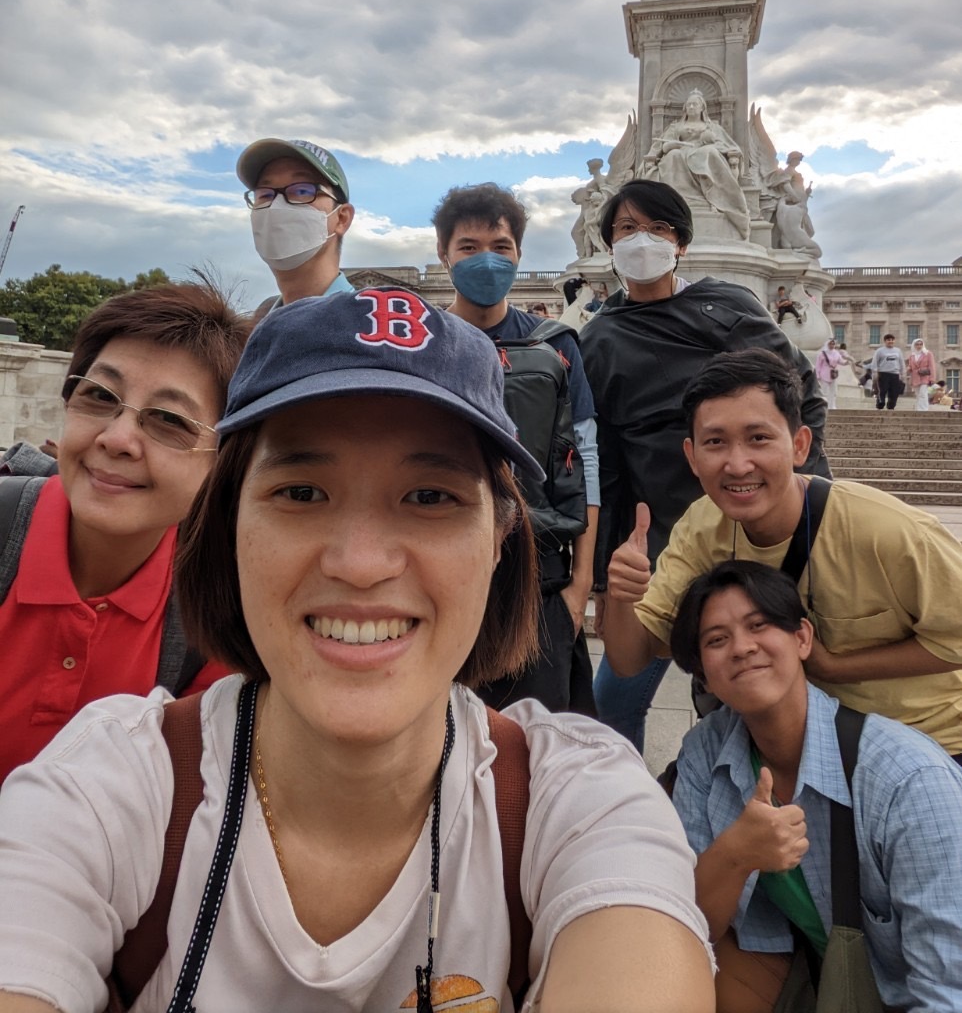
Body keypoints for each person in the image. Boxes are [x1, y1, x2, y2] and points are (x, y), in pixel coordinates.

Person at [0, 288, 715, 1013]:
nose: (362, 563)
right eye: (303, 492)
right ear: (226, 525)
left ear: (501, 540)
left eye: (431, 497)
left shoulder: (582, 802)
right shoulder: (103, 787)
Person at [602, 348, 962, 758]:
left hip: (929, 742)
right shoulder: (702, 528)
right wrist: (622, 598)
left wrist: (833, 667)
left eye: (758, 438)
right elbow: (629, 660)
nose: (738, 465)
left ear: (799, 445)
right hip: (789, 742)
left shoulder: (887, 531)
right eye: (716, 442)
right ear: (692, 457)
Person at [580, 181, 828, 752]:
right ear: (609, 243)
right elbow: (608, 463)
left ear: (682, 244)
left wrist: (810, 489)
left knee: (734, 691)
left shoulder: (730, 305)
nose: (642, 241)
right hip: (664, 536)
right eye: (626, 230)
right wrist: (603, 575)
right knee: (612, 700)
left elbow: (799, 393)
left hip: (756, 525)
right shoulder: (598, 338)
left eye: (659, 229)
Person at [669, 560, 962, 1013]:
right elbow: (687, 927)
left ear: (802, 638)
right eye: (716, 640)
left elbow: (948, 988)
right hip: (804, 973)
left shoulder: (908, 779)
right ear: (703, 675)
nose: (742, 648)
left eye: (759, 625)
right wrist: (735, 854)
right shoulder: (706, 753)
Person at [0, 279, 250, 784]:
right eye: (98, 396)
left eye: (168, 420)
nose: (117, 439)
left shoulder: (219, 616)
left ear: (223, 463)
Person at [432, 184, 599, 715]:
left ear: (519, 255)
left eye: (501, 247)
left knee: (536, 751)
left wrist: (580, 589)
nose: (487, 259)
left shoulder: (557, 343)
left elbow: (588, 458)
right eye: (469, 246)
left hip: (539, 579)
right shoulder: (422, 342)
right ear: (444, 255)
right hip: (440, 569)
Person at [235, 137, 355, 318]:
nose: (276, 206)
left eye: (302, 191)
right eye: (265, 194)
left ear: (342, 218)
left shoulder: (371, 333)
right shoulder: (251, 331)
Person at [641, 91, 750, 238]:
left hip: (702, 153)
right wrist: (672, 145)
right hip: (680, 152)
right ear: (685, 108)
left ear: (702, 108)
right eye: (689, 104)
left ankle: (713, 197)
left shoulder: (712, 127)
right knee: (673, 156)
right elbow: (663, 147)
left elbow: (727, 145)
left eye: (695, 104)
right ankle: (678, 200)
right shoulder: (676, 126)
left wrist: (708, 141)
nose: (691, 107)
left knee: (709, 153)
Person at [869, 332, 905, 410]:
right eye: (888, 340)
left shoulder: (898, 351)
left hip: (895, 374)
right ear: (885, 341)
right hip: (883, 373)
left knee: (894, 392)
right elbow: (874, 362)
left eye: (892, 340)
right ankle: (880, 405)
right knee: (882, 391)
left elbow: (901, 363)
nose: (890, 341)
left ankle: (891, 406)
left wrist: (902, 374)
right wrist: (875, 373)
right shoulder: (879, 351)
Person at [908, 336, 937, 411]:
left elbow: (932, 366)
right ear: (914, 345)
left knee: (923, 393)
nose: (919, 346)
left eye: (920, 344)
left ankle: (923, 409)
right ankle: (918, 408)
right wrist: (907, 369)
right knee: (917, 394)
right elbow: (911, 367)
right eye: (917, 344)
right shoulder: (912, 355)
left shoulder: (928, 353)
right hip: (915, 377)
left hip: (925, 376)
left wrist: (932, 378)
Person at [814, 337, 843, 409]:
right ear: (828, 344)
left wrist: (848, 362)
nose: (832, 345)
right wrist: (817, 375)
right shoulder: (822, 354)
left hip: (833, 374)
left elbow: (841, 361)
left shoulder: (836, 353)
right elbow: (818, 365)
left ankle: (832, 405)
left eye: (833, 344)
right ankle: (824, 405)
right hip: (824, 374)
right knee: (825, 391)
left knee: (834, 391)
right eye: (830, 344)